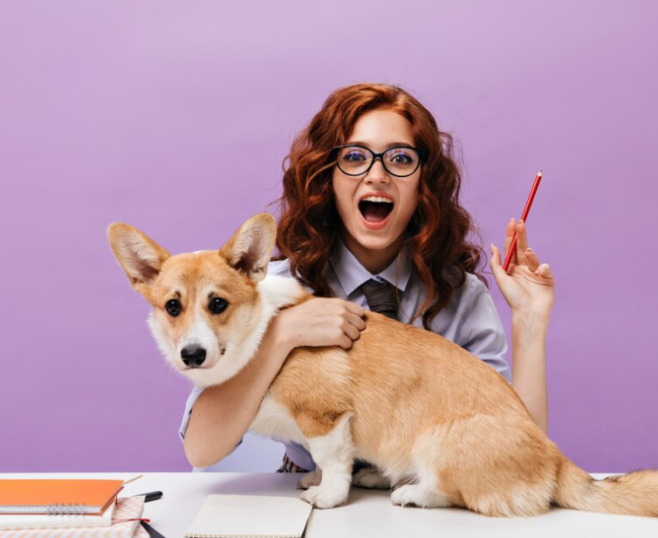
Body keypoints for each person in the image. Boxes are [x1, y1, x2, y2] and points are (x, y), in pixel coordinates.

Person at [180, 83, 555, 472]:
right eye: (355, 157)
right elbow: (200, 450)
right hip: (313, 492)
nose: (377, 175)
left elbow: (519, 452)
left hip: (426, 494)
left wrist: (529, 321)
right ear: (328, 177)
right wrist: (281, 334)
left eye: (400, 158)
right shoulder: (266, 293)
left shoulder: (461, 297)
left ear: (423, 183)